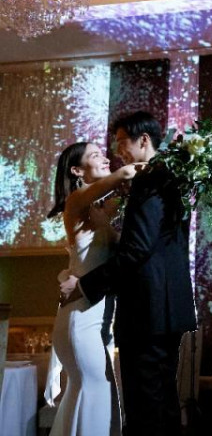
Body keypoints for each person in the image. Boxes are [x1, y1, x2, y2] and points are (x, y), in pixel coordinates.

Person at [60, 111, 197, 436]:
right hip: (166, 307)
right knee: (162, 399)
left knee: (146, 405)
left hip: (147, 309)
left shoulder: (149, 178)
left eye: (122, 142)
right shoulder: (172, 178)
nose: (117, 150)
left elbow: (137, 249)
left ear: (143, 140)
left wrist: (84, 284)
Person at [47, 141, 141, 436]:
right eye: (95, 155)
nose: (105, 158)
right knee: (94, 387)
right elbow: (125, 174)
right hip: (80, 314)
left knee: (95, 389)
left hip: (98, 313)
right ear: (77, 170)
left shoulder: (100, 211)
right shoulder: (76, 201)